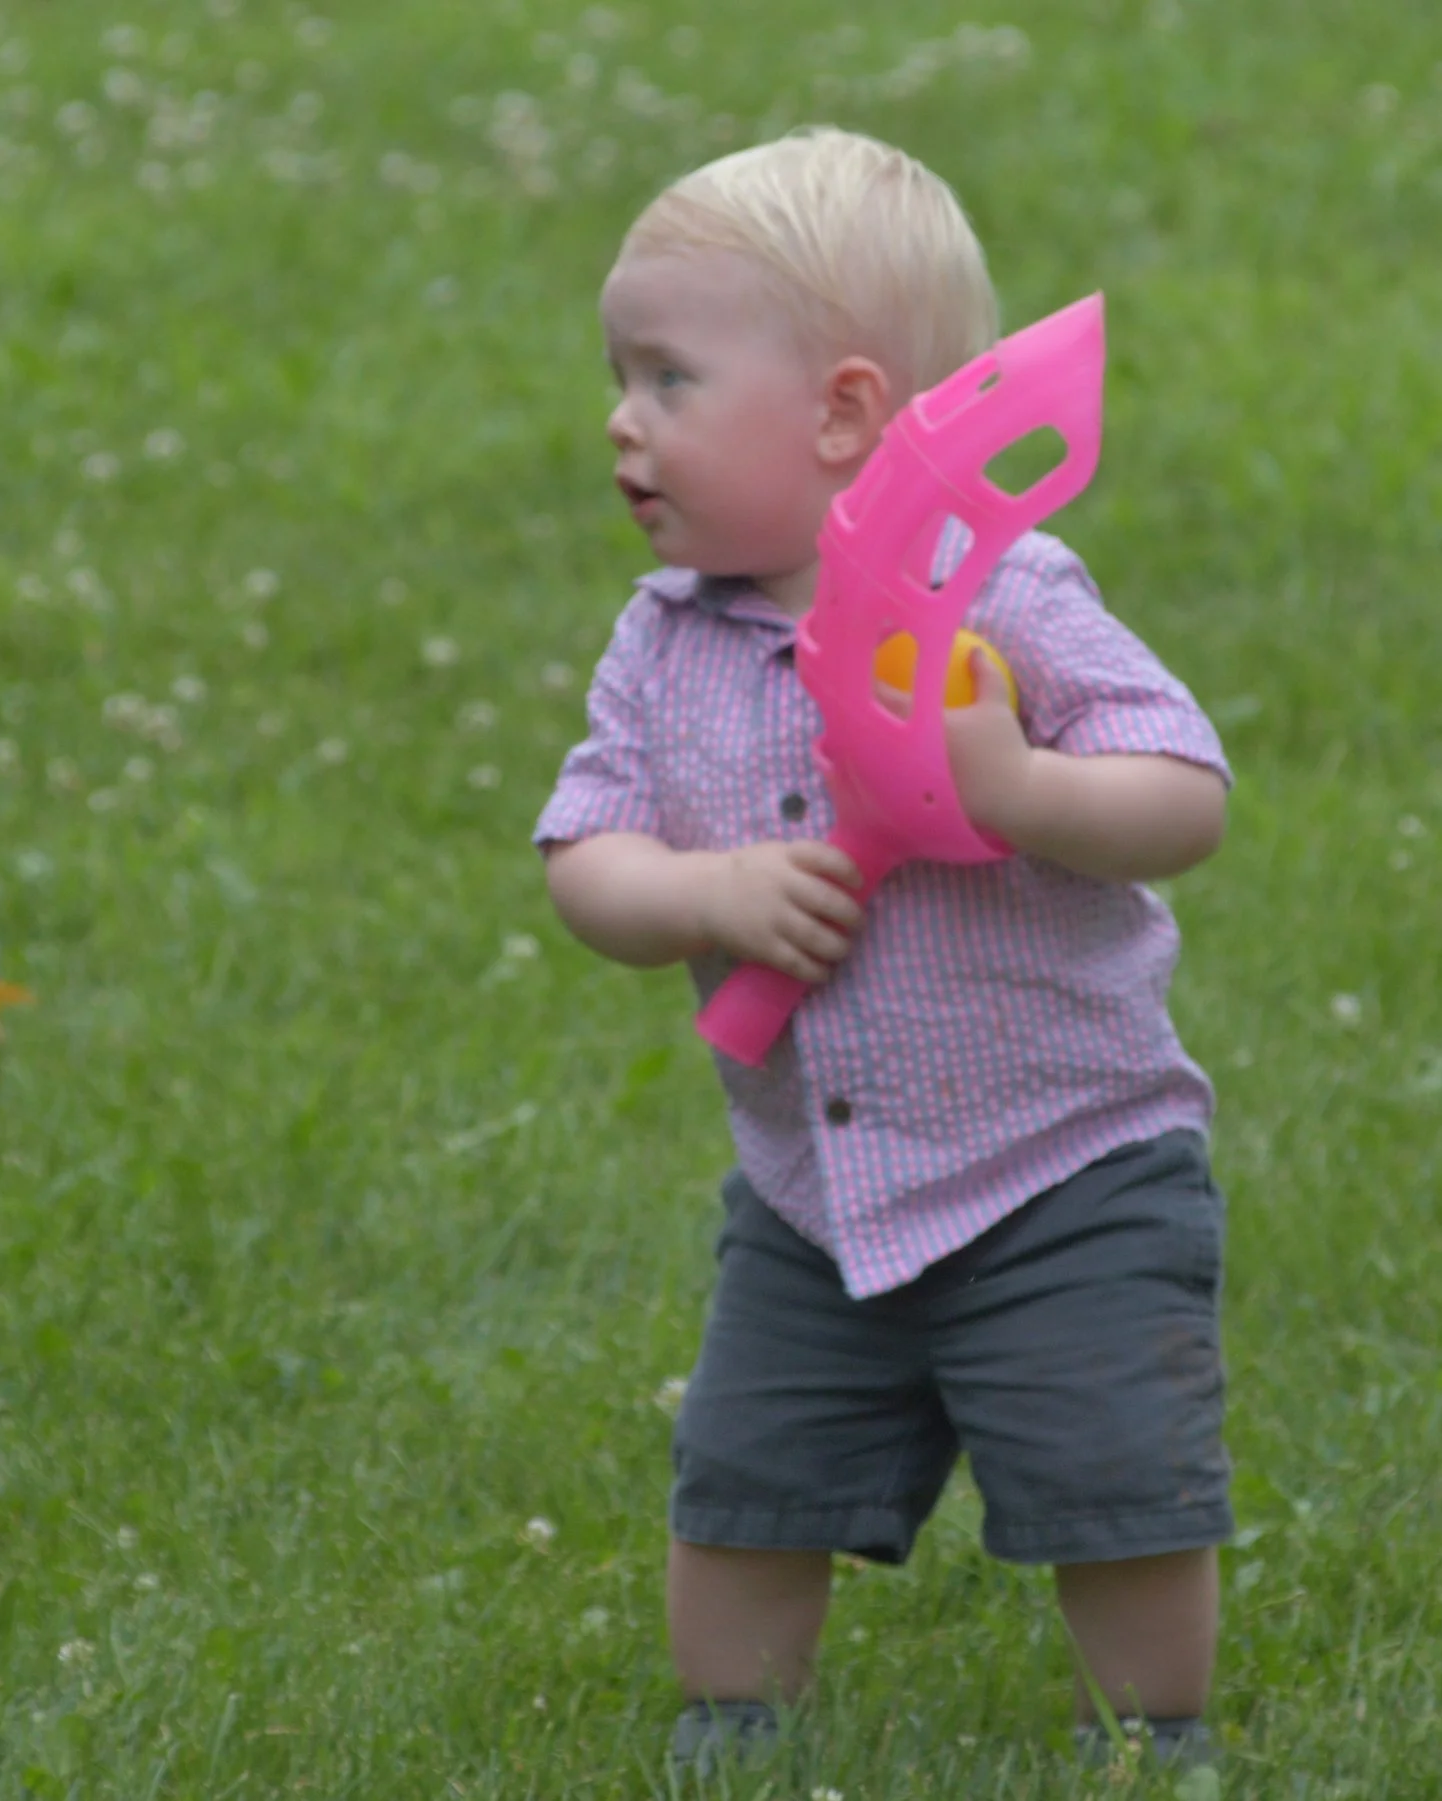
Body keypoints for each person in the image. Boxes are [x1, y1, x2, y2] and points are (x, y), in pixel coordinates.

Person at [535, 126, 1235, 1773]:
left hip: (1061, 1163)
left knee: (1114, 1481)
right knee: (747, 1478)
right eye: (618, 377)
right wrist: (702, 901)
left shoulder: (1006, 593)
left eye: (668, 380)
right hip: (813, 1191)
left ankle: (1151, 1732)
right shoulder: (662, 642)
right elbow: (587, 856)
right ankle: (733, 1717)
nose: (621, 424)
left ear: (848, 415)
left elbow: (1184, 795)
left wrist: (1017, 784)